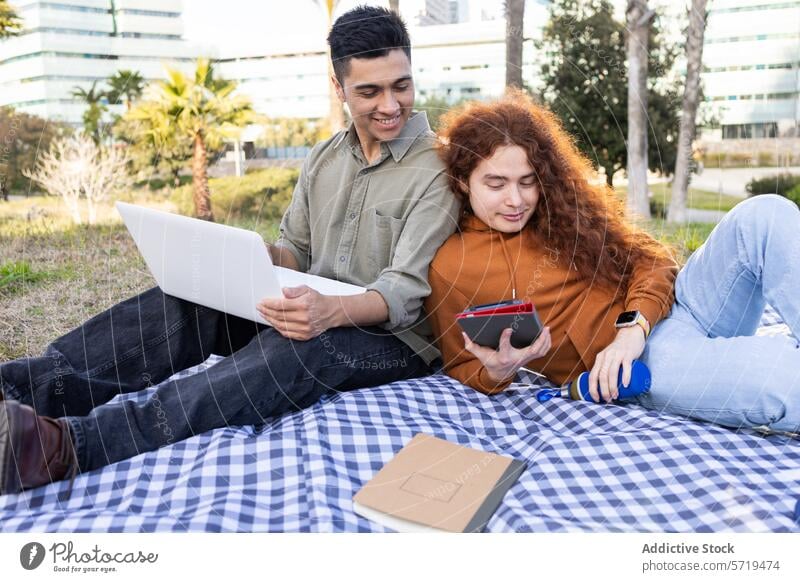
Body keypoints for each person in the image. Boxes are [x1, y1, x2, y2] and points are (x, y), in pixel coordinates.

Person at [0, 6, 460, 496]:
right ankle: (20, 390)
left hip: (391, 341)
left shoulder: (438, 168)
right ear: (338, 85)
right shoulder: (323, 159)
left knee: (304, 345)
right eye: (370, 91)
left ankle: (66, 447)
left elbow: (402, 293)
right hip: (312, 308)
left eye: (401, 85)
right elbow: (297, 252)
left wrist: (329, 312)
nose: (391, 104)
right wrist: (245, 258)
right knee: (191, 297)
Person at [425, 90, 800, 434]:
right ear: (462, 181)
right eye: (496, 184)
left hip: (677, 309)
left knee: (765, 214)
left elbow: (652, 261)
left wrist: (631, 330)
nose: (515, 200)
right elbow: (461, 366)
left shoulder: (565, 212)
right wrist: (497, 371)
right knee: (781, 376)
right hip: (642, 366)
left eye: (527, 181)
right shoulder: (453, 265)